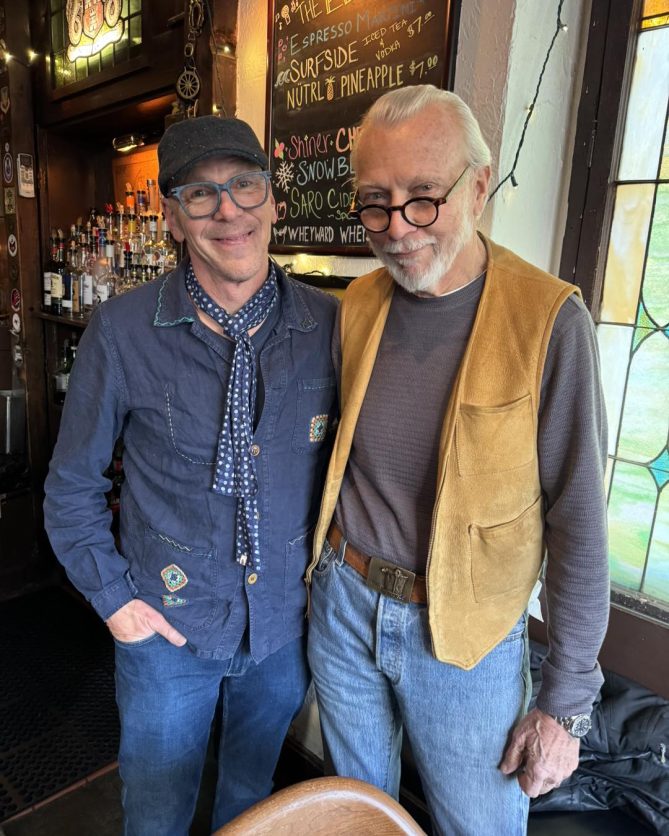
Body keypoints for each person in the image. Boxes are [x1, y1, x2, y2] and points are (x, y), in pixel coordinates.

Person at [305, 84, 609, 835]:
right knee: (355, 819)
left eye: (422, 198)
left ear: (478, 186)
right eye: (374, 201)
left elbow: (577, 521)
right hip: (343, 603)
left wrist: (565, 704)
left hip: (466, 639)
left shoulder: (547, 320)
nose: (396, 228)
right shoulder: (360, 303)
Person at [44, 115, 338, 835]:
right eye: (200, 195)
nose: (227, 210)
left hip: (280, 633)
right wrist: (117, 604)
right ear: (173, 219)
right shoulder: (122, 330)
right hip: (165, 632)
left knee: (255, 803)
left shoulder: (332, 325)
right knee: (155, 813)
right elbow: (71, 490)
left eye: (244, 185)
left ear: (273, 201)